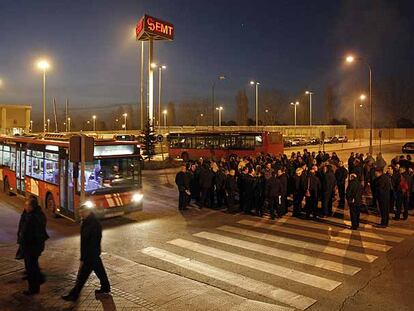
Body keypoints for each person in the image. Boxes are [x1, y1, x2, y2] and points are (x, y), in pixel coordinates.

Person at [62, 204, 110, 301]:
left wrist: (85, 257)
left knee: (82, 277)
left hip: (90, 254)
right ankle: (105, 287)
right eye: (80, 213)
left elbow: (92, 241)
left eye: (82, 213)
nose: (81, 215)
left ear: (88, 212)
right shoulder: (86, 222)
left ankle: (74, 295)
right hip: (92, 254)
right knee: (99, 271)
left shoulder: (93, 224)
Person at [18, 196, 48, 295]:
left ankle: (34, 288)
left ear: (31, 206)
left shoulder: (34, 217)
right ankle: (36, 284)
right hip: (31, 247)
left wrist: (24, 243)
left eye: (27, 205)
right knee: (32, 267)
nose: (25, 207)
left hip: (31, 247)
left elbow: (31, 233)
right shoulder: (31, 214)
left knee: (31, 268)